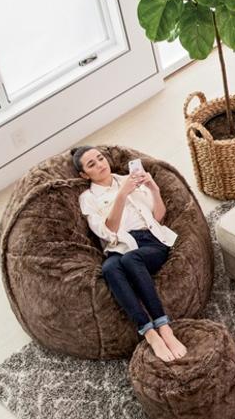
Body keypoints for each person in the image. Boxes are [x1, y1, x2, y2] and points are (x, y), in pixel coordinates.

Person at [74, 146, 187, 363]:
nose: (100, 164)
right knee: (109, 268)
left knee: (130, 259)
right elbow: (110, 231)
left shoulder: (129, 178)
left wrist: (154, 189)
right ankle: (149, 333)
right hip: (120, 245)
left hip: (149, 241)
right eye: (92, 164)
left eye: (100, 158)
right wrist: (122, 194)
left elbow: (159, 216)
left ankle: (164, 328)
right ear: (83, 175)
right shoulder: (87, 198)